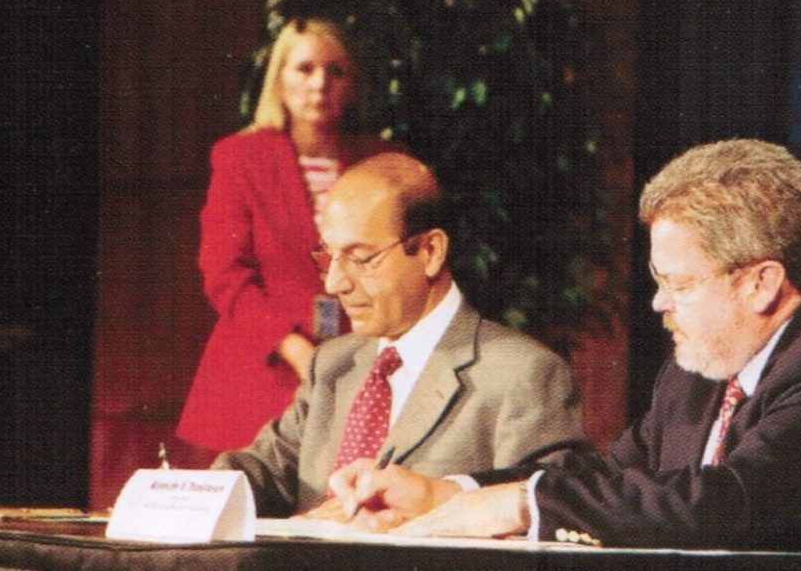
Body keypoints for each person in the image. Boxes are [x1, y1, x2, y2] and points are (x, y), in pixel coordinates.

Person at [330, 139, 801, 570]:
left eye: (679, 284)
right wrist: (445, 491)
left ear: (762, 283)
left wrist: (525, 505)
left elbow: (731, 502)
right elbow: (606, 477)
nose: (659, 305)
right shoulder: (694, 377)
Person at [212, 151, 587, 517]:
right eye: (329, 257)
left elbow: (546, 506)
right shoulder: (332, 363)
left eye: (361, 258)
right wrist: (183, 494)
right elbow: (264, 471)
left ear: (430, 251)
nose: (335, 282)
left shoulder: (524, 375)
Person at [177, 17, 401, 453]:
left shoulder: (384, 161)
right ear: (279, 80)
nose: (321, 83)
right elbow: (225, 273)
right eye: (305, 69)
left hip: (360, 365)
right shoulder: (240, 157)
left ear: (353, 85)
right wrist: (297, 349)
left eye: (336, 71)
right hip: (264, 366)